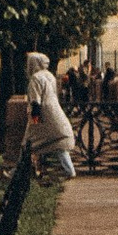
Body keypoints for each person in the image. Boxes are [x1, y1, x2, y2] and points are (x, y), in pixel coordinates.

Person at [24, 52, 76, 185]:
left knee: (29, 142)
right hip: (55, 113)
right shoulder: (49, 75)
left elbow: (36, 100)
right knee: (58, 144)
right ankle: (68, 170)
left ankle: (19, 171)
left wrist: (34, 119)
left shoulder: (35, 78)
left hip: (43, 114)